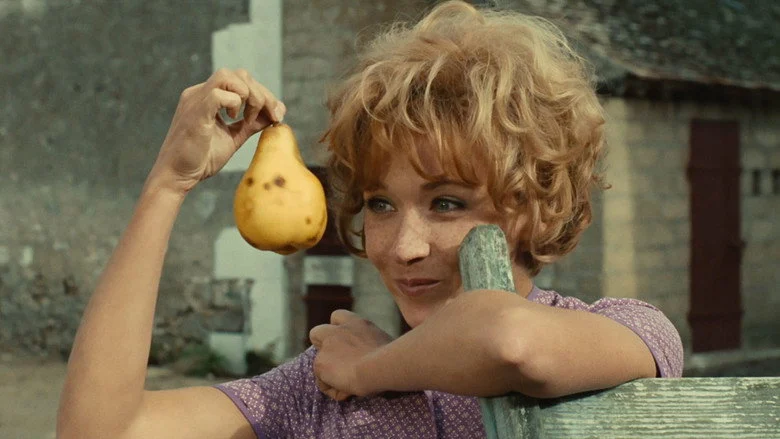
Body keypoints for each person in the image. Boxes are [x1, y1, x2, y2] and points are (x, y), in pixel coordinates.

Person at [57, 1, 683, 438]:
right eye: (381, 203)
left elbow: (509, 341)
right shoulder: (317, 392)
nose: (404, 246)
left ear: (533, 205)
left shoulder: (626, 332)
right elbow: (98, 430)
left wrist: (370, 369)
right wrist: (168, 184)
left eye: (446, 203)